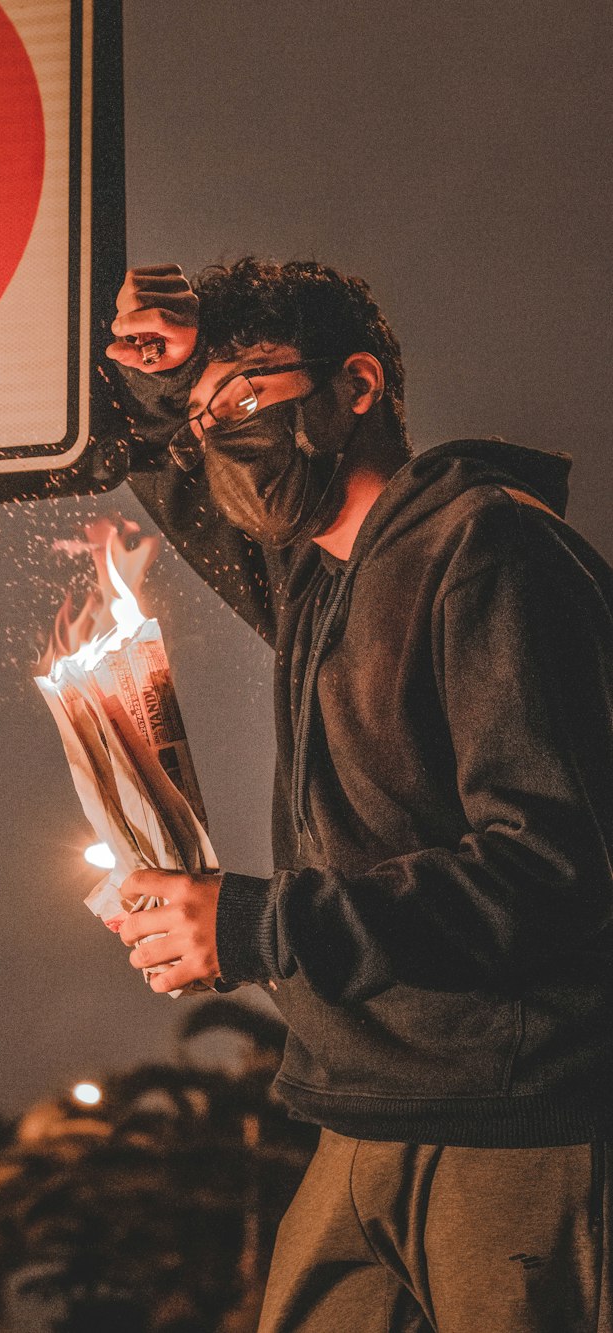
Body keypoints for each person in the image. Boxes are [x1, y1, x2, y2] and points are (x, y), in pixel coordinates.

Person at [106, 258, 613, 1332]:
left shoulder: (489, 548)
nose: (221, 431)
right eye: (207, 416)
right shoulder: (314, 582)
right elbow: (156, 457)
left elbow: (550, 872)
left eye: (248, 397)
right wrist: (175, 373)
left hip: (519, 1115)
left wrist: (252, 925)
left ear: (357, 386)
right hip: (360, 1108)